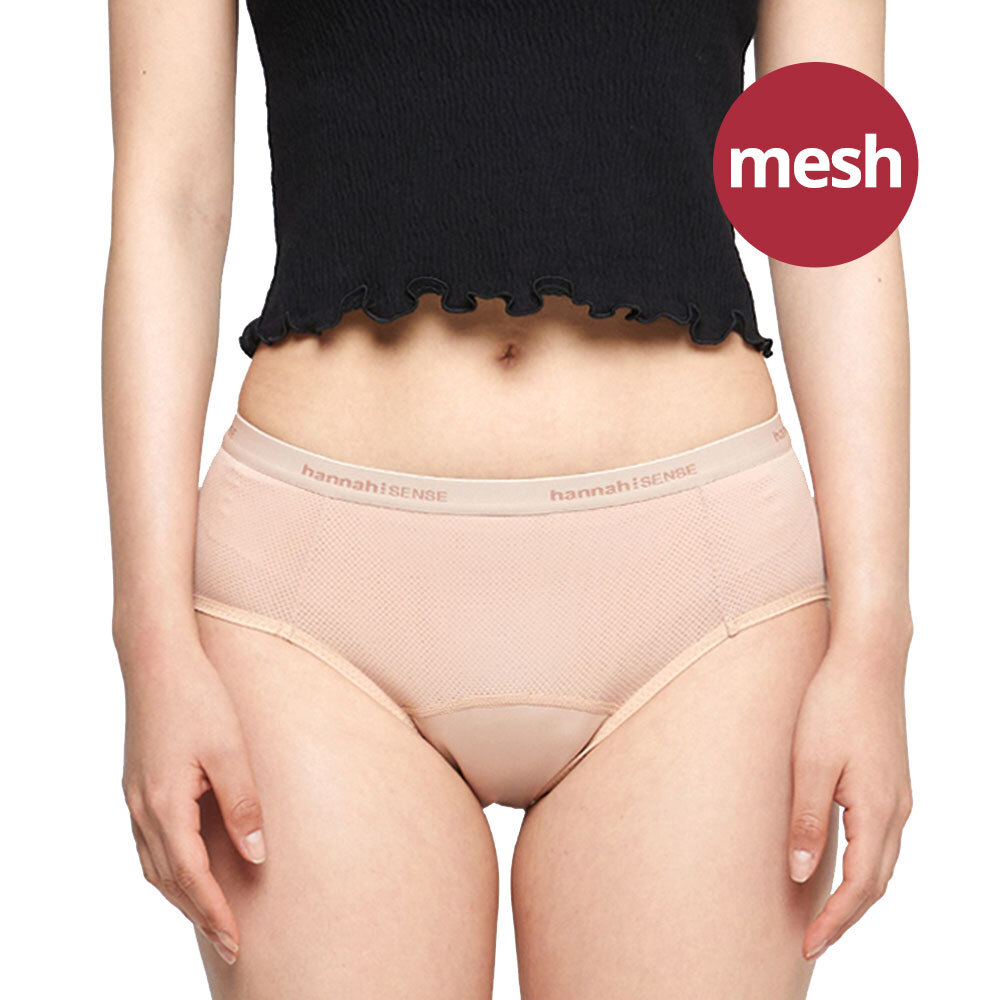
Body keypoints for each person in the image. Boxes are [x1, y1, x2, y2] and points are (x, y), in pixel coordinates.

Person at [102, 1, 913, 996]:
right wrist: (150, 644)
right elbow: (169, 199)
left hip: (704, 606)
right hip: (311, 604)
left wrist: (875, 638)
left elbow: (831, 205)